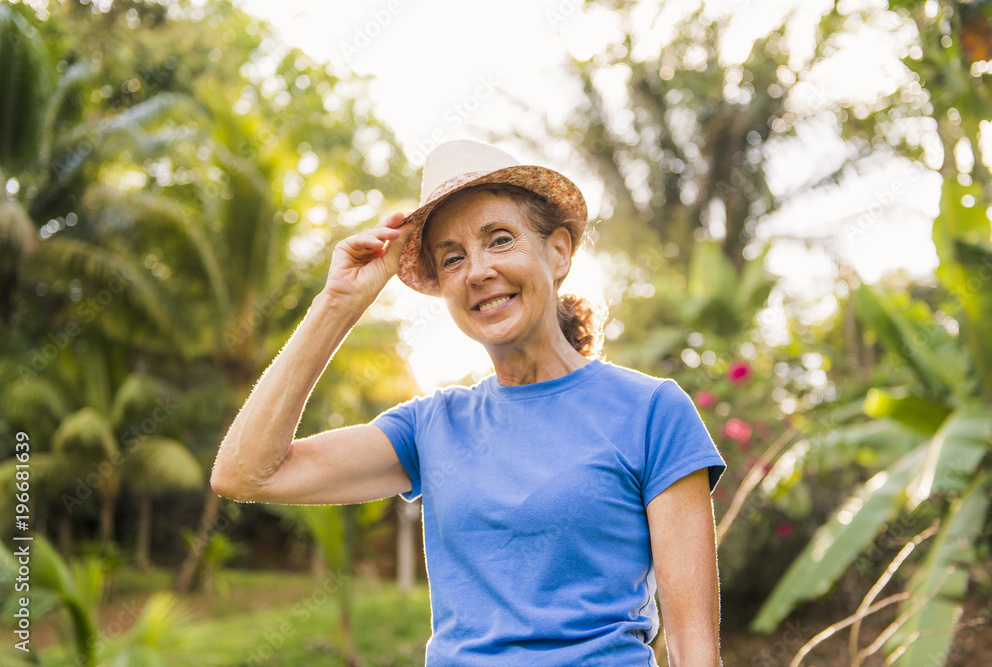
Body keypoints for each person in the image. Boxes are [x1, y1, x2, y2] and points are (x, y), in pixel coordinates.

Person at [211, 139, 726, 666]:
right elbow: (245, 473)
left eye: (500, 240)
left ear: (559, 251)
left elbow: (694, 650)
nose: (477, 271)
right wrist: (338, 305)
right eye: (452, 259)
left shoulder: (651, 412)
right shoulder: (430, 427)